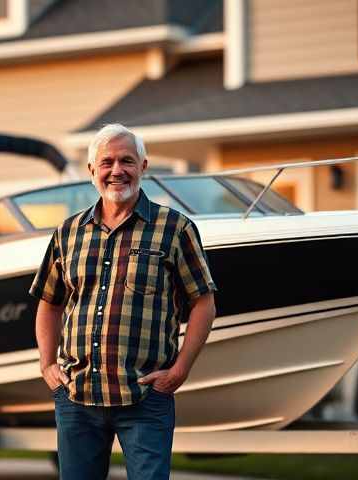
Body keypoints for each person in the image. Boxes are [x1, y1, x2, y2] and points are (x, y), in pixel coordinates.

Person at [29, 123, 217, 480]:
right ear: (92, 171)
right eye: (107, 162)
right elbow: (49, 302)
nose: (117, 171)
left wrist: (179, 371)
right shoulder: (68, 233)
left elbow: (203, 304)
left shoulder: (175, 229)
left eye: (127, 161)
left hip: (145, 398)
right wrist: (47, 365)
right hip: (76, 397)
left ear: (143, 166)